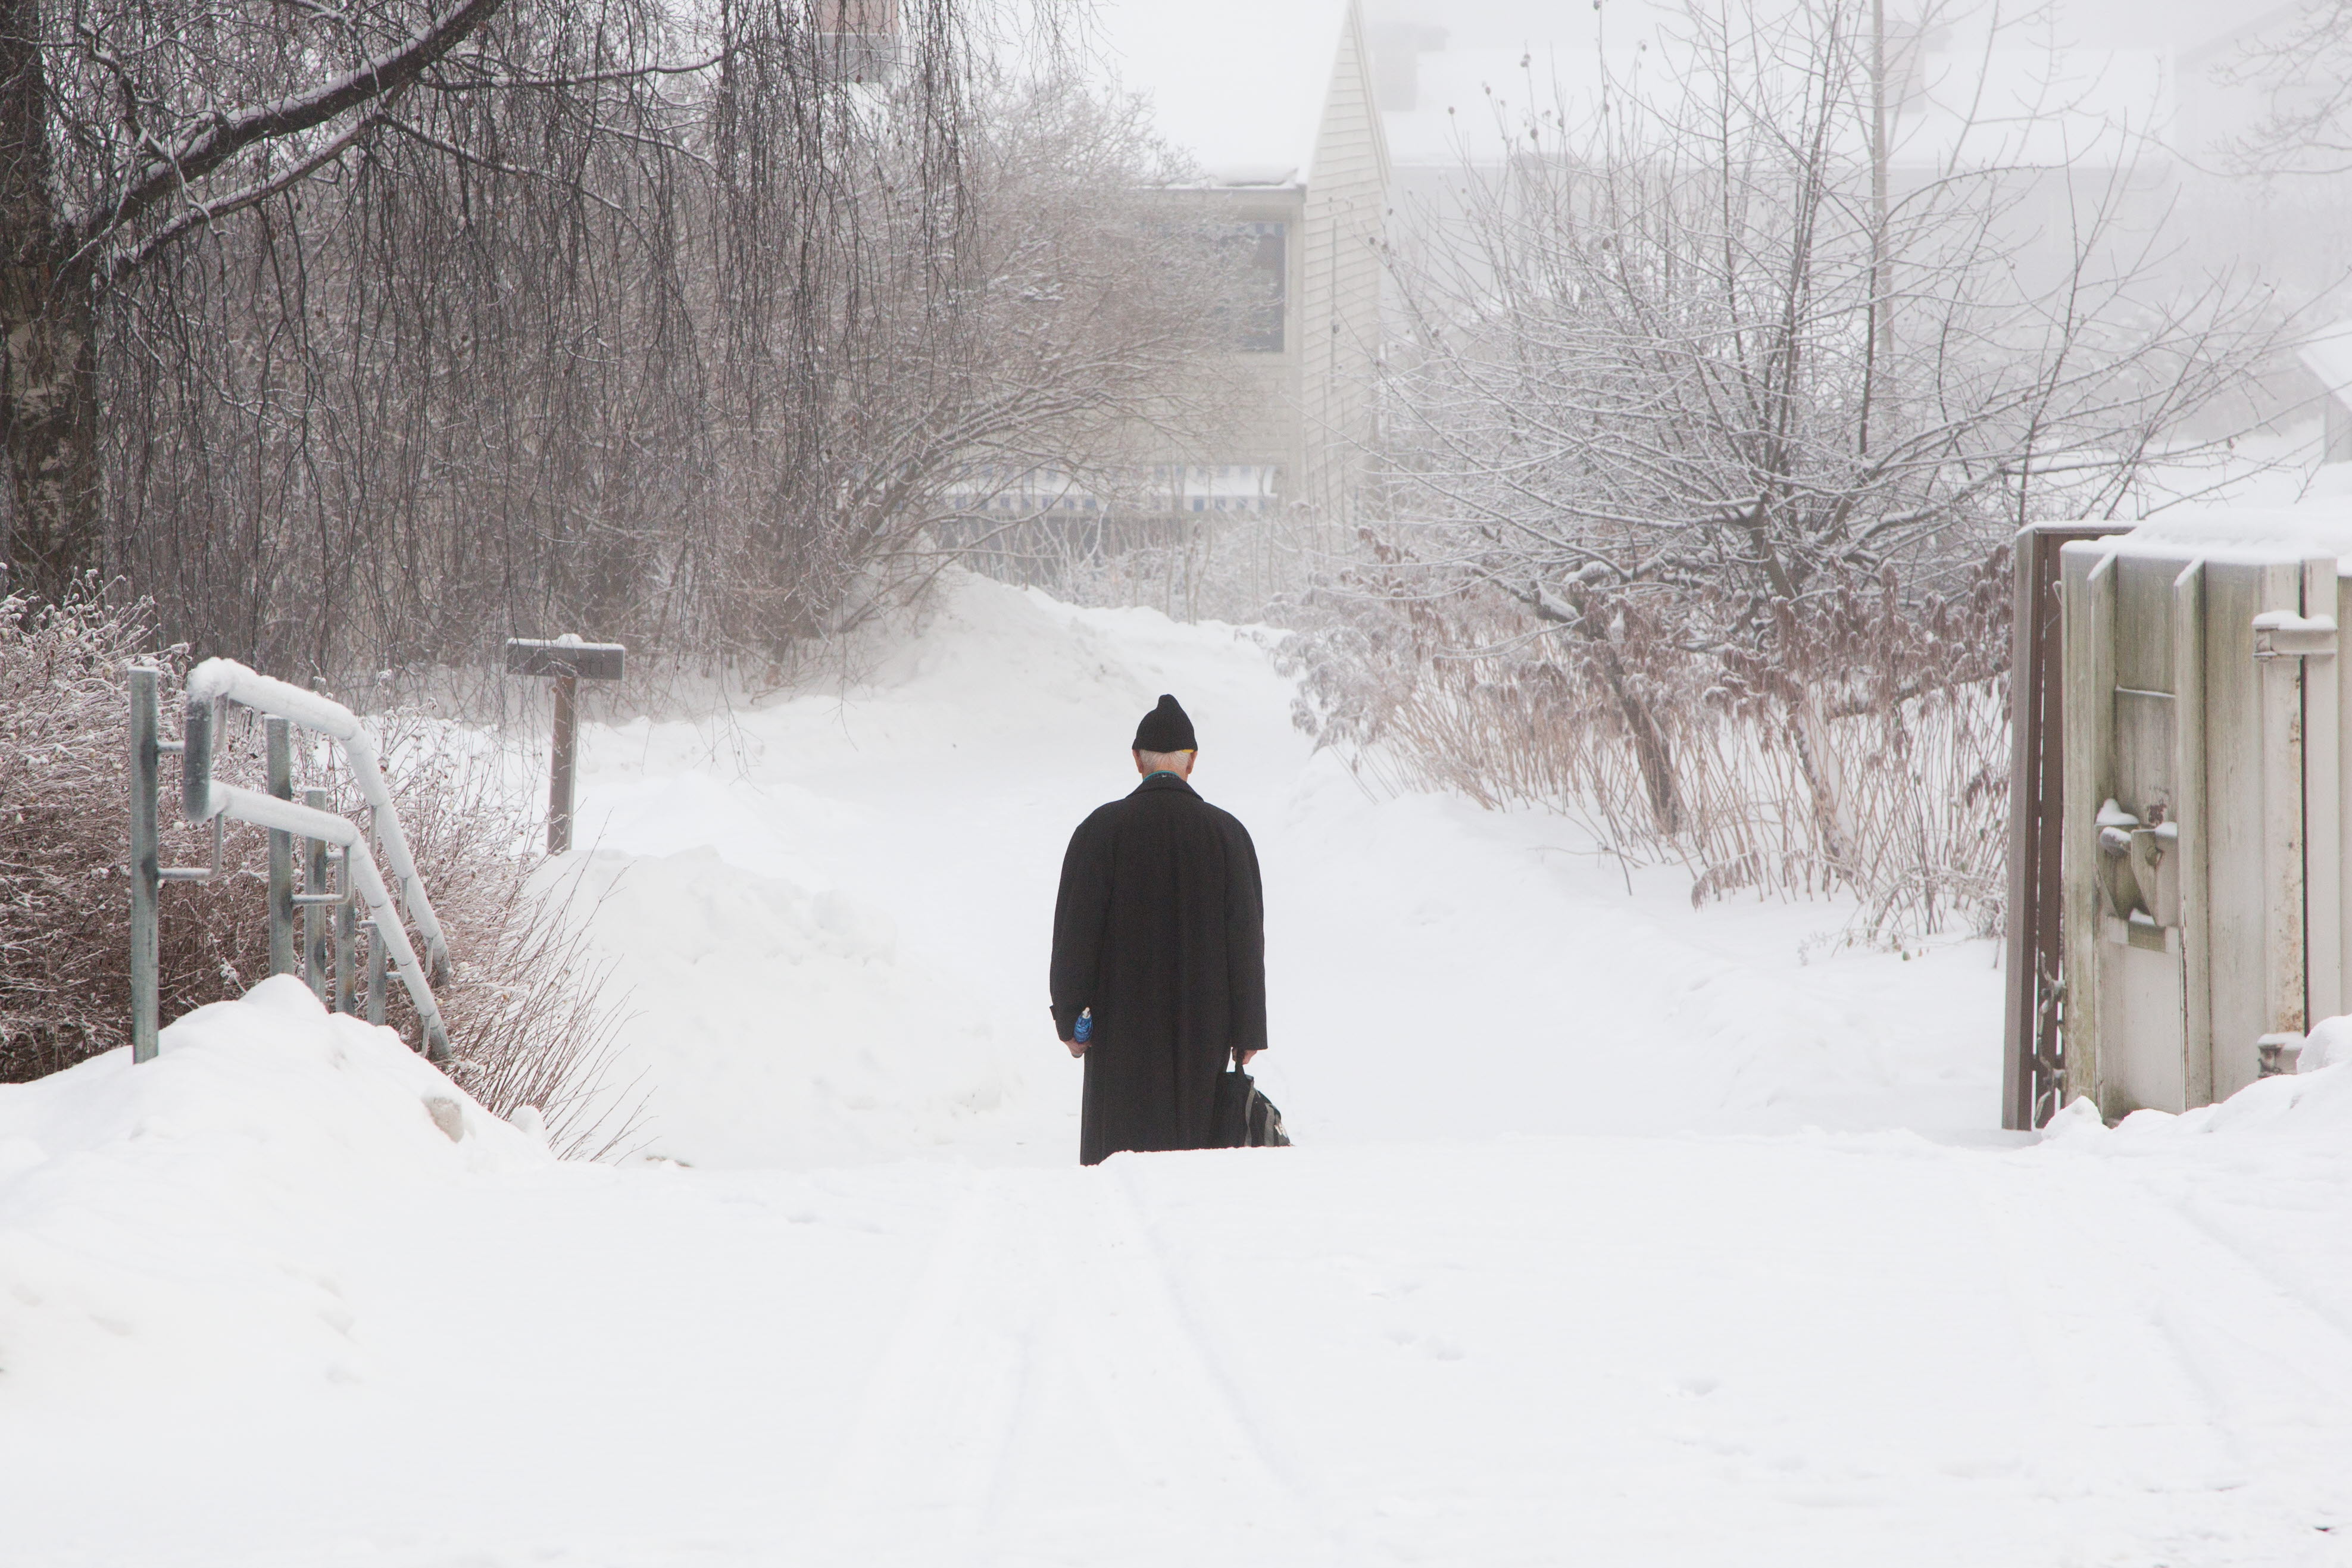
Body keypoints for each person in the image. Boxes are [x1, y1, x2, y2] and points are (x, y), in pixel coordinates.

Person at [1050, 694, 1267, 1166]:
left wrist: (1070, 1018)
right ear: (1191, 763)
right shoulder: (1228, 835)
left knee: (1121, 1162)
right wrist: (1248, 1027)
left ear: (1136, 761)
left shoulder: (1100, 831)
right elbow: (1246, 939)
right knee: (1198, 1163)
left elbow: (1074, 935)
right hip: (1204, 1028)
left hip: (1120, 1032)